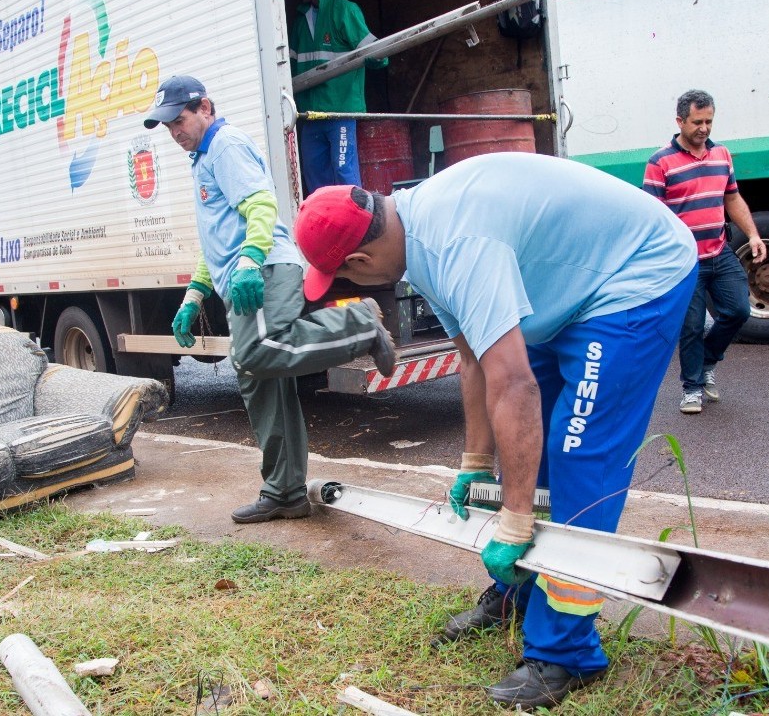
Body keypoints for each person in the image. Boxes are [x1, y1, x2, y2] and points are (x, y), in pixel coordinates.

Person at [293, 153, 698, 709]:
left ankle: (566, 652)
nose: (348, 282)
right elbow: (474, 361)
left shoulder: (457, 247)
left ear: (360, 259)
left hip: (635, 276)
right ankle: (520, 589)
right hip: (569, 287)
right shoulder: (416, 238)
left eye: (343, 275)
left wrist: (514, 519)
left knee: (580, 452)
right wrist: (476, 464)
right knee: (531, 450)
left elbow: (515, 387)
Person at [143, 74, 397, 524]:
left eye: (178, 120)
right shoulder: (202, 158)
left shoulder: (224, 145)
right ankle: (285, 492)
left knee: (255, 352)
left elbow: (261, 205)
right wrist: (194, 294)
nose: (174, 132)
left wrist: (250, 260)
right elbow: (216, 238)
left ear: (205, 107)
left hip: (264, 270)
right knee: (259, 380)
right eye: (168, 126)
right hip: (244, 274)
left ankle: (359, 325)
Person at [643, 89, 767, 415]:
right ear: (680, 121)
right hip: (685, 261)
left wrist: (753, 234)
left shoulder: (722, 154)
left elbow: (732, 198)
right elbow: (653, 216)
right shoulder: (660, 162)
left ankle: (707, 361)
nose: (704, 128)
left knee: (739, 310)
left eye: (709, 121)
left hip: (719, 251)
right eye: (697, 122)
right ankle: (692, 388)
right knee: (692, 326)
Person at [287, 0, 388, 194]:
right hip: (311, 114)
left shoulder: (344, 10)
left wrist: (378, 57)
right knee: (315, 179)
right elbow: (287, 68)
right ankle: (326, 219)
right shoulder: (300, 23)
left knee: (344, 173)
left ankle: (355, 217)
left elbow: (378, 54)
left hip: (339, 110)